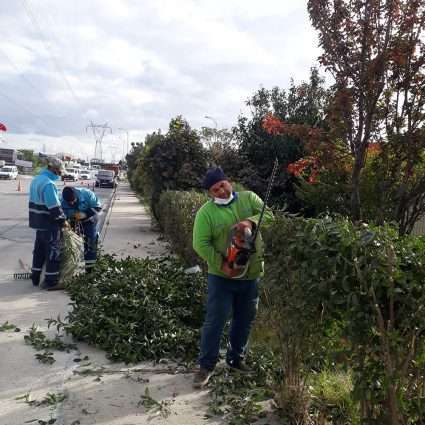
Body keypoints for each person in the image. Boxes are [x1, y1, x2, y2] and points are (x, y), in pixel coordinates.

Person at [192, 167, 273, 388]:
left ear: (228, 182)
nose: (220, 191)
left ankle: (236, 359)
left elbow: (271, 216)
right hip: (222, 278)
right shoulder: (206, 213)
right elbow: (200, 243)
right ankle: (206, 366)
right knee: (216, 320)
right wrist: (222, 264)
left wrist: (250, 222)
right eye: (214, 189)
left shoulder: (248, 198)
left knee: (244, 320)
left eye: (222, 185)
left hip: (251, 275)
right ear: (210, 193)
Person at [29, 157, 67, 290]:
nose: (60, 174)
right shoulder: (48, 184)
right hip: (49, 223)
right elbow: (54, 207)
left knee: (39, 251)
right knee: (53, 251)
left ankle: (35, 276)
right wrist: (63, 221)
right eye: (59, 171)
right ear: (53, 168)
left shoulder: (36, 180)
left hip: (38, 223)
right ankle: (50, 281)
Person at [61, 186, 102, 272]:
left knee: (90, 243)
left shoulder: (87, 194)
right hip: (73, 222)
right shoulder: (62, 200)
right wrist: (65, 221)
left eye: (73, 201)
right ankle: (73, 268)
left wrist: (85, 214)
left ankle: (90, 269)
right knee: (72, 244)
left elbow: (98, 207)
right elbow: (61, 213)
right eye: (69, 202)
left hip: (89, 221)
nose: (71, 203)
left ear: (76, 195)